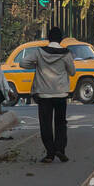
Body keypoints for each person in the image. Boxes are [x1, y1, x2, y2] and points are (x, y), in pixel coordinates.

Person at [32, 25, 76, 163]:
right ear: (61, 39)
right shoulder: (66, 53)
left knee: (45, 124)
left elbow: (23, 62)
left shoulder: (39, 52)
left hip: (44, 94)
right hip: (61, 93)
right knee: (60, 123)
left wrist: (37, 65)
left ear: (49, 38)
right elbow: (73, 72)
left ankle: (50, 153)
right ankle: (60, 149)